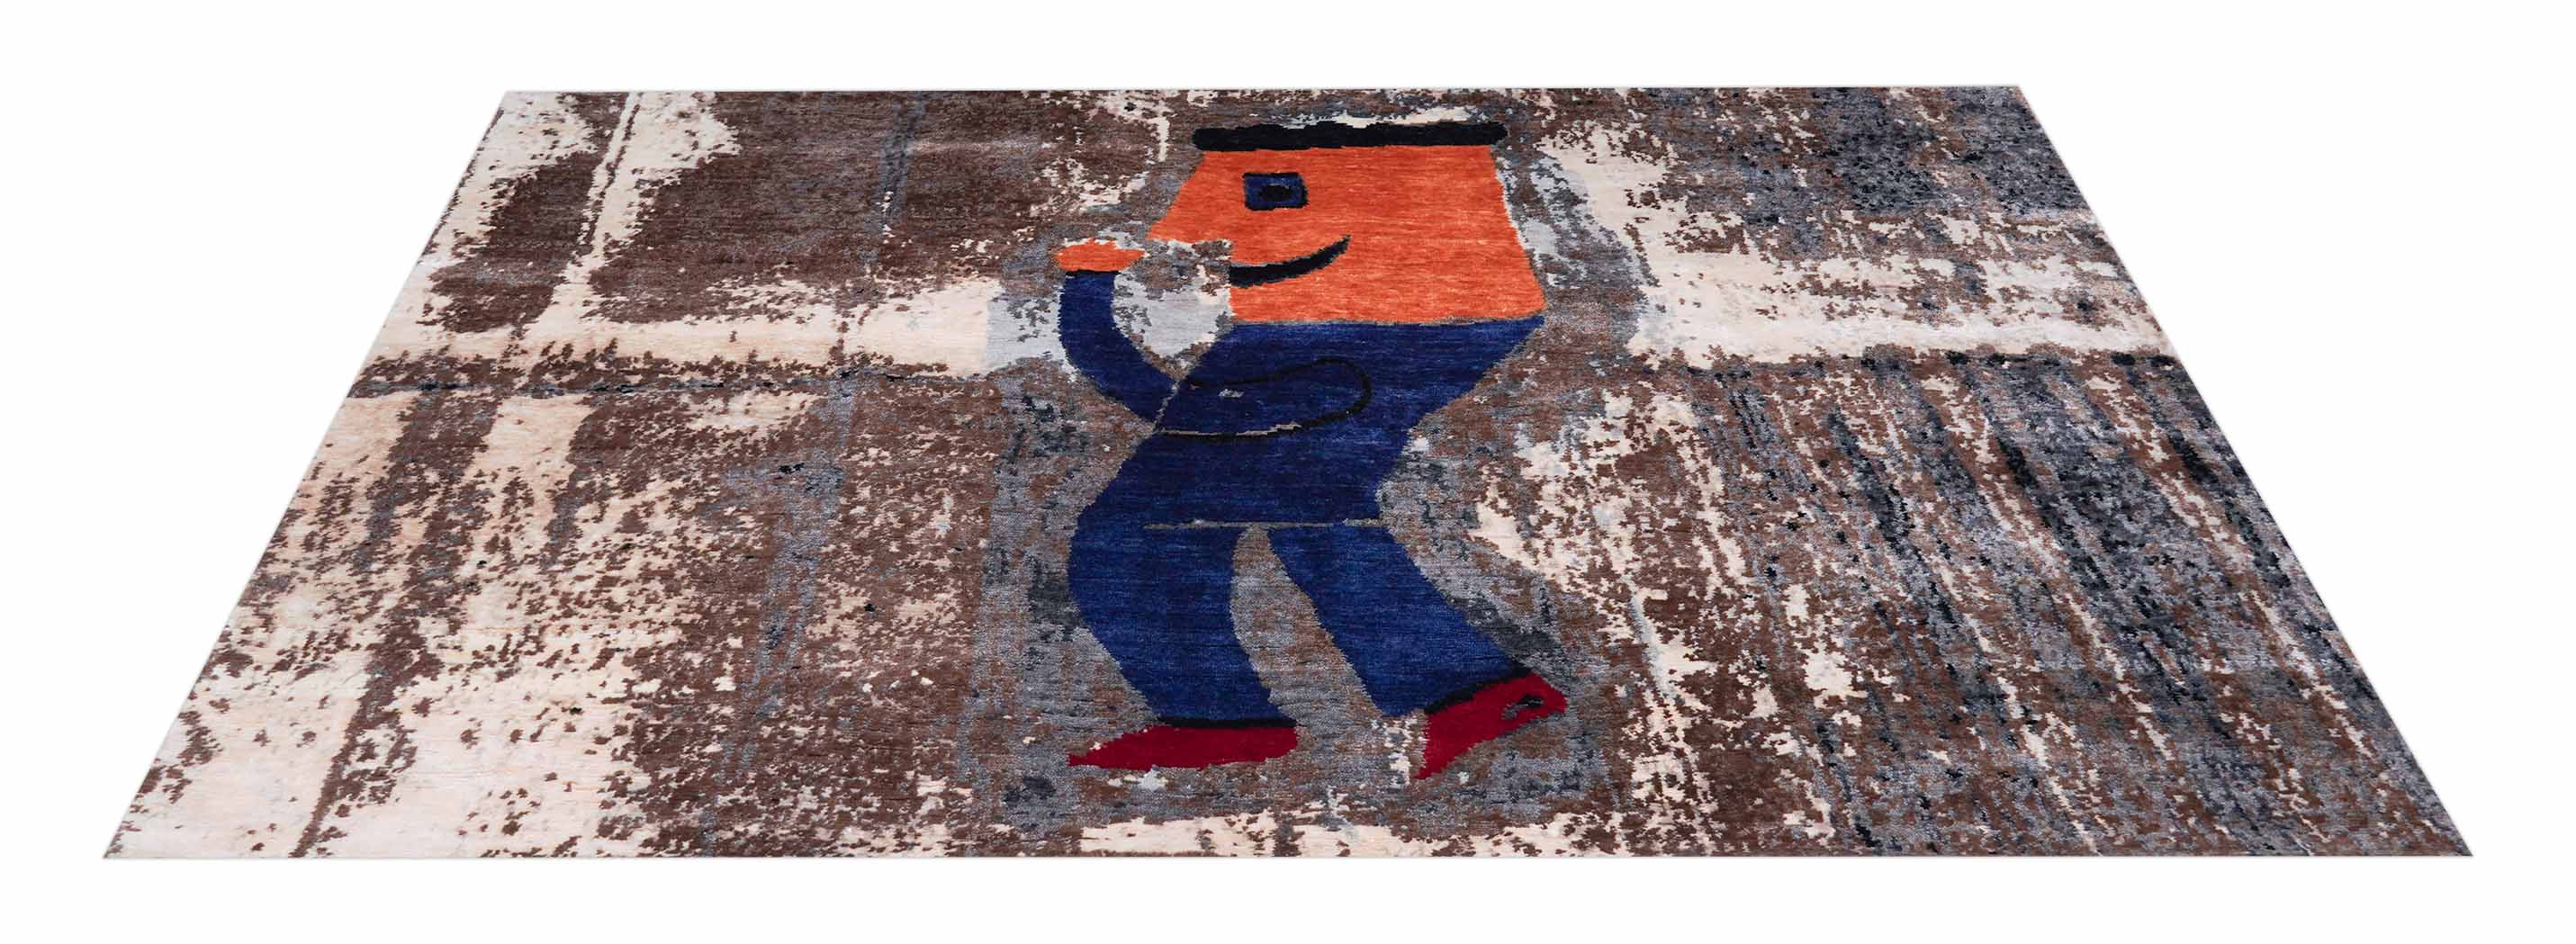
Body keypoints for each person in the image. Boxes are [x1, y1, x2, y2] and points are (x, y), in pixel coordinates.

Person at [1051, 120, 1567, 780]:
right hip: (1351, 327)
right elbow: (1183, 413)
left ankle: (1226, 716)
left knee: (1148, 533)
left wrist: (1088, 298)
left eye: (1269, 192)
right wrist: (1092, 304)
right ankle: (1478, 696)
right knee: (1311, 524)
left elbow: (1174, 408)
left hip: (1367, 326)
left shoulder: (1332, 354)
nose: (1181, 229)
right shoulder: (1291, 346)